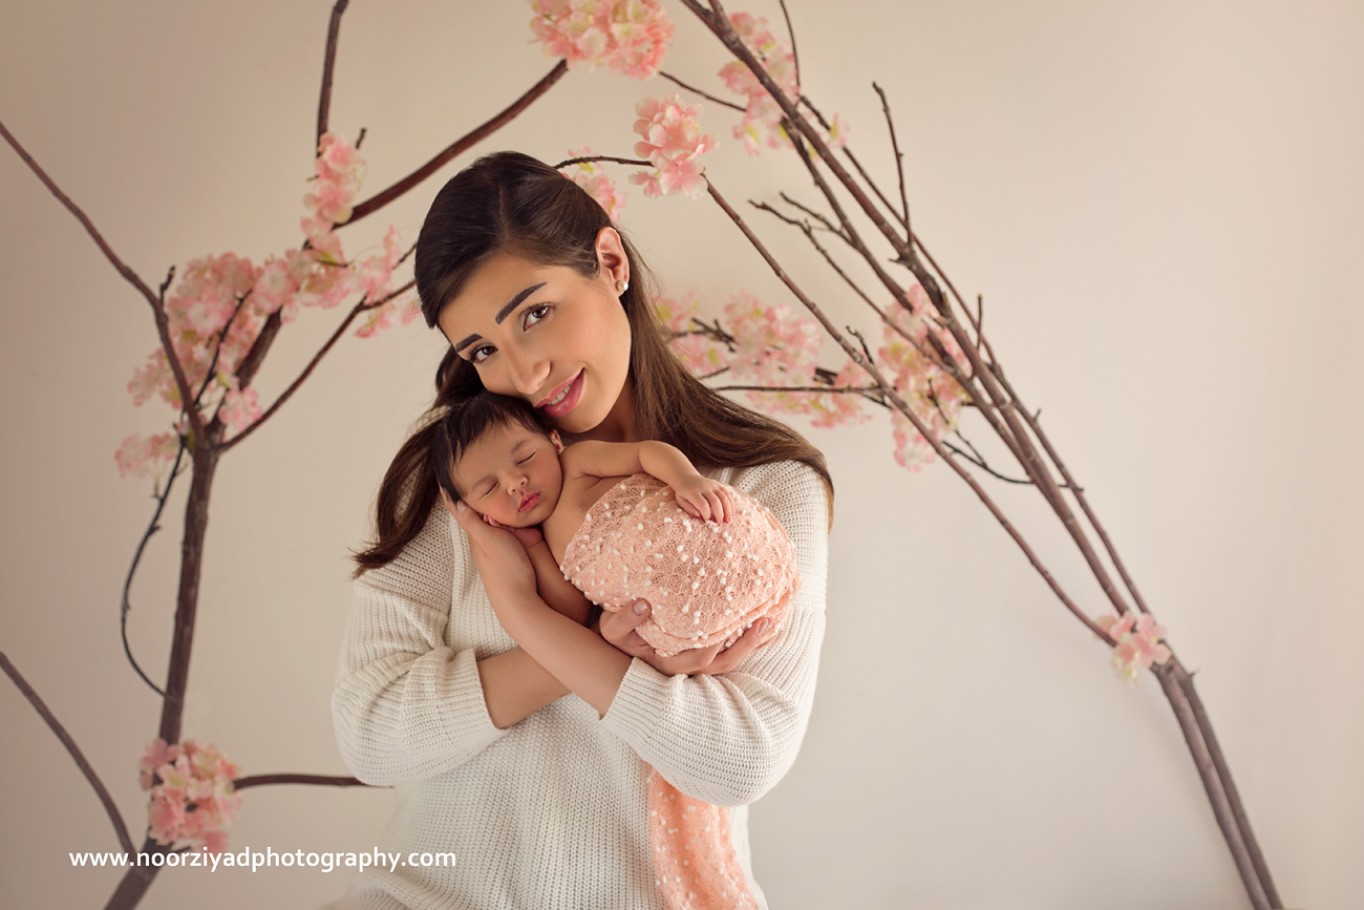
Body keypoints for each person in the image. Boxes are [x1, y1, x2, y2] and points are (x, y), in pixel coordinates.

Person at [331, 150, 832, 910]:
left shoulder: (762, 487)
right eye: (483, 350)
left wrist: (541, 627)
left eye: (535, 314)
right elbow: (370, 732)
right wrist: (613, 655)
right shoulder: (469, 485)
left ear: (610, 263)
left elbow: (741, 759)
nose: (525, 374)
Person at [431, 390, 798, 658]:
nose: (515, 483)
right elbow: (572, 612)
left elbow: (644, 453)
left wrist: (685, 478)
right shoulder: (540, 544)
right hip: (688, 620)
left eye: (525, 457)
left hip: (712, 535)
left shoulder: (577, 463)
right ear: (484, 514)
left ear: (554, 441)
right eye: (490, 488)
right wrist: (523, 545)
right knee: (663, 655)